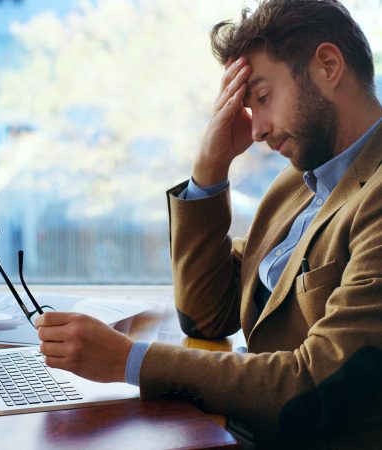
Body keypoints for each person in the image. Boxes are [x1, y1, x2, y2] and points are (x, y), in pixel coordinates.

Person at [35, 0, 382, 448]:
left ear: (328, 65)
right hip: (245, 425)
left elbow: (312, 387)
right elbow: (206, 316)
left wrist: (128, 360)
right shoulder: (297, 184)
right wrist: (210, 167)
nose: (256, 130)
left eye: (261, 97)